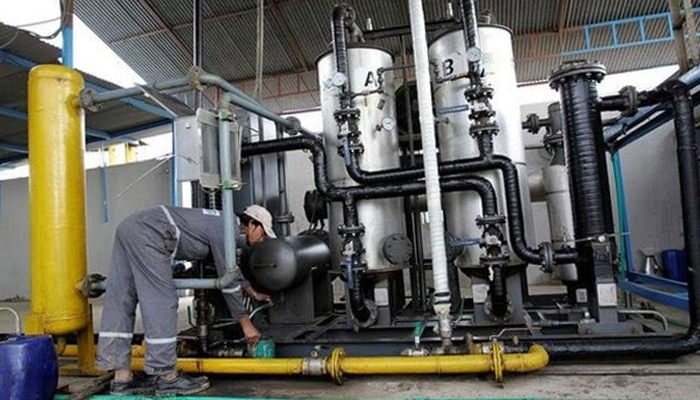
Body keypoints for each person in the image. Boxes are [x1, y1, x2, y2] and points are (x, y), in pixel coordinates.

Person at [97, 204, 276, 396]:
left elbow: (232, 271)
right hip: (151, 233)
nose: (262, 240)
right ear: (252, 224)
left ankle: (121, 378)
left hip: (131, 226)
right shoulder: (227, 228)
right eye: (263, 233)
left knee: (121, 297)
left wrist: (253, 292)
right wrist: (245, 323)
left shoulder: (220, 220)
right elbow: (228, 278)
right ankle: (167, 377)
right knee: (160, 300)